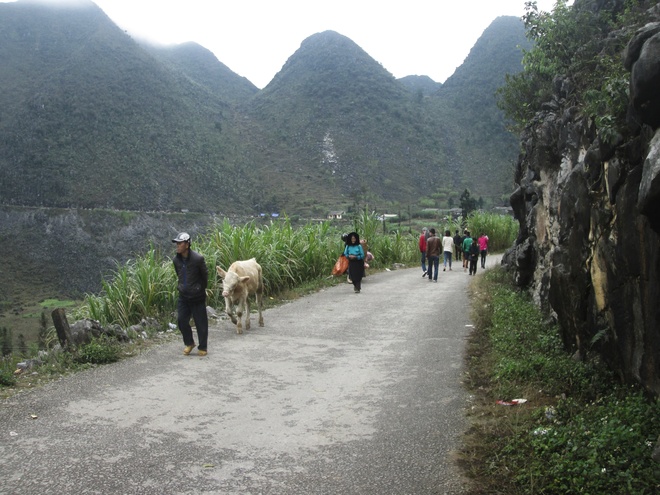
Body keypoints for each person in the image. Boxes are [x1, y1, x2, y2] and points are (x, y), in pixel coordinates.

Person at [172, 232, 209, 356]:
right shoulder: (176, 260)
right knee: (181, 321)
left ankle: (203, 347)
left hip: (197, 297)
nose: (177, 245)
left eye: (180, 243)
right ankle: (189, 343)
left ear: (187, 244)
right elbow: (179, 275)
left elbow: (205, 277)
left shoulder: (198, 259)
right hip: (183, 296)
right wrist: (183, 287)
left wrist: (199, 288)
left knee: (201, 323)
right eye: (176, 243)